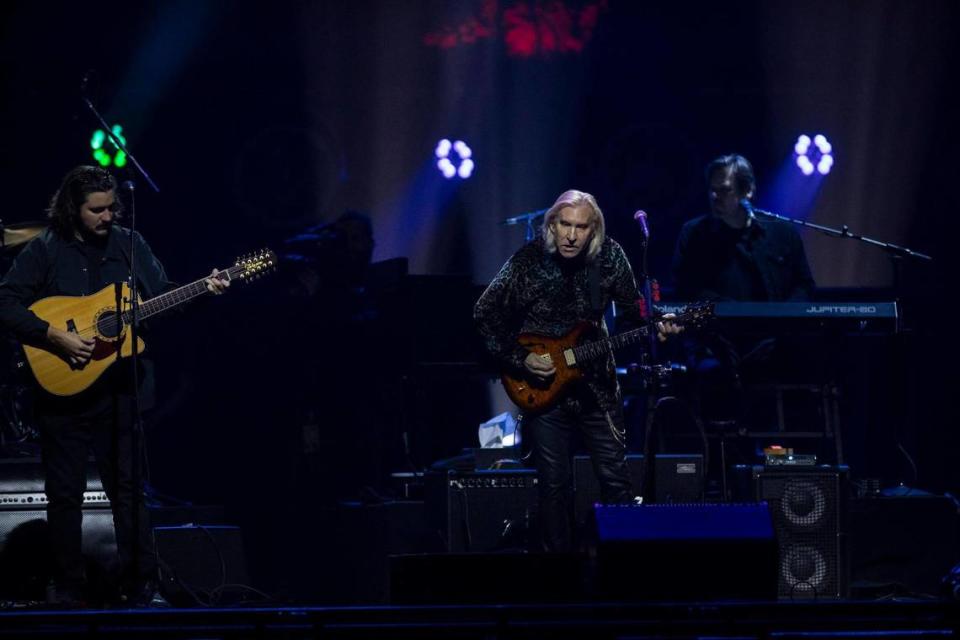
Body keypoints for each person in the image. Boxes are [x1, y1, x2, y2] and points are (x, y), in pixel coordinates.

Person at [0, 166, 229, 606]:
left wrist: (202, 291)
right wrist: (54, 335)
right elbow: (5, 301)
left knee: (129, 491)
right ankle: (68, 588)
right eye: (97, 210)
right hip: (60, 393)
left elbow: (161, 298)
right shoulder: (46, 249)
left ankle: (142, 583)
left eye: (111, 208)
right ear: (74, 208)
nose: (107, 216)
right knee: (64, 494)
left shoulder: (129, 244)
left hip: (118, 391)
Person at [474, 189, 677, 552]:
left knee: (616, 481)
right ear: (551, 224)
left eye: (580, 227)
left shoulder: (610, 256)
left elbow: (635, 312)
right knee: (554, 484)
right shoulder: (529, 260)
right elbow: (485, 313)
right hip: (544, 384)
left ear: (593, 229)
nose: (571, 235)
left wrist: (660, 323)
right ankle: (559, 580)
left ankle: (622, 569)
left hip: (596, 383)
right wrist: (520, 360)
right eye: (564, 225)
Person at [671, 154, 816, 447]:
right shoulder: (695, 234)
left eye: (724, 190)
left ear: (746, 191)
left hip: (774, 346)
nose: (715, 197)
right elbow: (686, 290)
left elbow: (804, 286)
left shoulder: (781, 233)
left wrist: (783, 321)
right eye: (711, 189)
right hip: (718, 346)